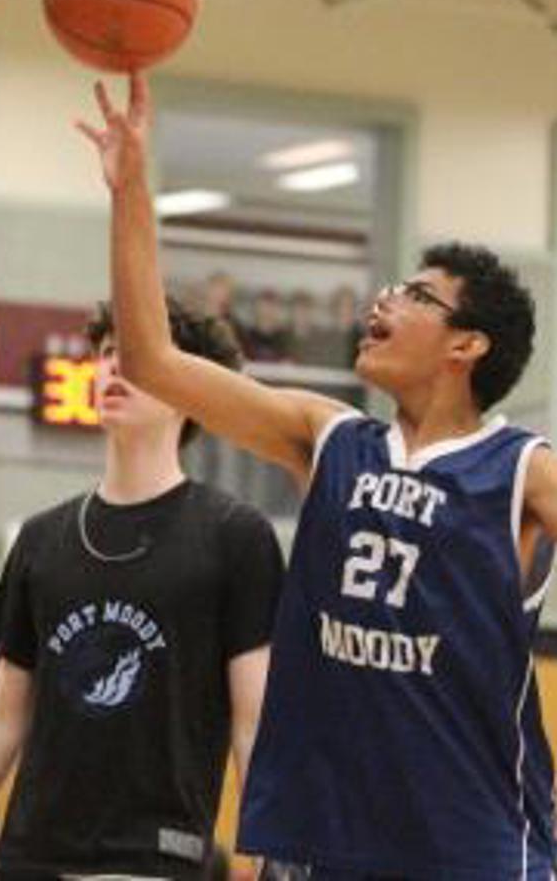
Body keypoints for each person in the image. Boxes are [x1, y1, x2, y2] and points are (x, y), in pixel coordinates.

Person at [77, 72, 557, 879]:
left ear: (465, 345)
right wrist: (131, 190)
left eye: (415, 294)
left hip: (470, 842)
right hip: (324, 837)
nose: (384, 299)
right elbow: (151, 359)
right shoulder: (327, 438)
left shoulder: (522, 472)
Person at [0, 297, 285, 880]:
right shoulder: (40, 539)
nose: (115, 368)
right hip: (32, 858)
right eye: (109, 353)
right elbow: (4, 715)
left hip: (154, 859)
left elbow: (254, 721)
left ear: (190, 387)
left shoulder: (236, 537)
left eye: (138, 355)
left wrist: (269, 864)